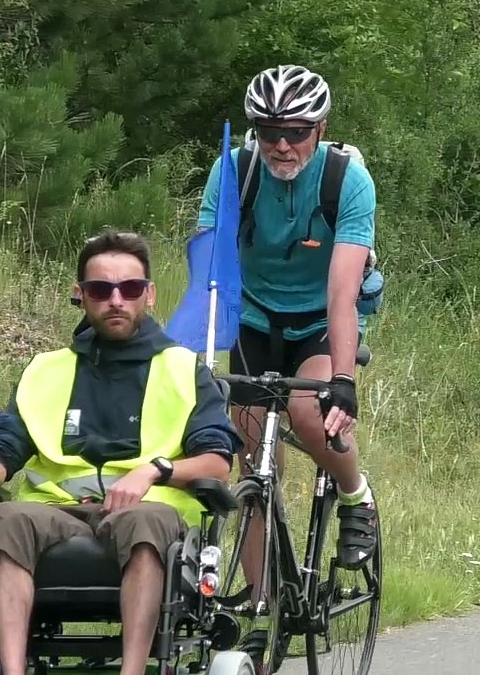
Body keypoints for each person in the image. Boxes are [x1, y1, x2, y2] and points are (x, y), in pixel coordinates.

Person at [0, 230, 238, 675]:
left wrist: (155, 470)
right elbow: (6, 450)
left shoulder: (183, 370)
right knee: (1, 519)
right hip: (55, 513)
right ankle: (12, 668)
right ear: (80, 296)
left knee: (145, 523)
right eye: (101, 289)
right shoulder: (46, 370)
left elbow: (216, 462)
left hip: (146, 510)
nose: (116, 299)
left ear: (149, 295)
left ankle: (133, 670)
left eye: (130, 288)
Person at [195, 65, 378, 604]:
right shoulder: (233, 171)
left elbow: (342, 291)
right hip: (253, 318)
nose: (281, 144)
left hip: (320, 320)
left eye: (296, 131)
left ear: (320, 128)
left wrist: (342, 379)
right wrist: (198, 358)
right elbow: (210, 269)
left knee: (309, 411)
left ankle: (355, 496)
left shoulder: (346, 180)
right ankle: (262, 603)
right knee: (250, 455)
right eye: (269, 129)